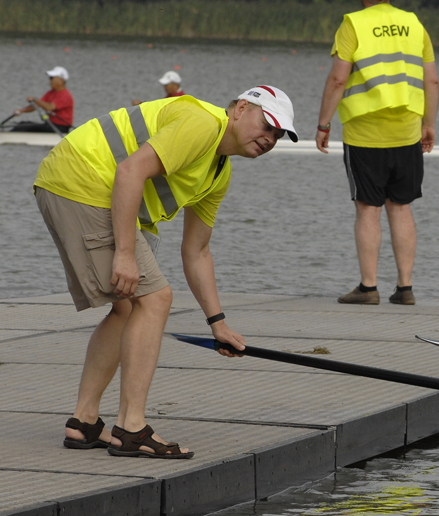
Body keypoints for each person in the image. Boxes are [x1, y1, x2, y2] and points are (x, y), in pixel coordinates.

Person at [33, 85, 299, 458]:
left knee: (129, 307)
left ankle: (84, 422)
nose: (270, 138)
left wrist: (217, 322)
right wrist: (125, 253)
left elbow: (197, 251)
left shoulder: (218, 174)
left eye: (277, 134)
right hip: (84, 180)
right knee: (155, 299)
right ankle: (131, 428)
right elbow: (129, 171)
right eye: (266, 125)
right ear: (241, 108)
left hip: (74, 180)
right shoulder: (203, 123)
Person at [315, 0, 439, 307]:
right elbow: (432, 80)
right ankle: (405, 287)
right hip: (407, 130)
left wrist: (323, 123)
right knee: (401, 205)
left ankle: (368, 288)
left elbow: (338, 79)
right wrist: (429, 124)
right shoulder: (414, 23)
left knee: (368, 208)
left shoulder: (353, 24)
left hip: (364, 132)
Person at [11, 66, 74, 133]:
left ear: (61, 80)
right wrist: (21, 111)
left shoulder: (65, 95)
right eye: (50, 78)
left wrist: (35, 99)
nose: (50, 80)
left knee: (24, 127)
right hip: (50, 125)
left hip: (60, 128)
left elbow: (49, 107)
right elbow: (37, 105)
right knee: (22, 124)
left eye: (52, 78)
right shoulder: (51, 93)